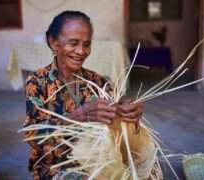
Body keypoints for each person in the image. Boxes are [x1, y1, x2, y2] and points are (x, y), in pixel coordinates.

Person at [24, 10, 143, 180]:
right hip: (55, 166)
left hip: (97, 161)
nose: (81, 51)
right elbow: (34, 136)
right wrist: (80, 115)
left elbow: (116, 110)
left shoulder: (98, 81)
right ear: (53, 42)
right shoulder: (37, 82)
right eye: (73, 43)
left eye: (86, 44)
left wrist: (128, 110)